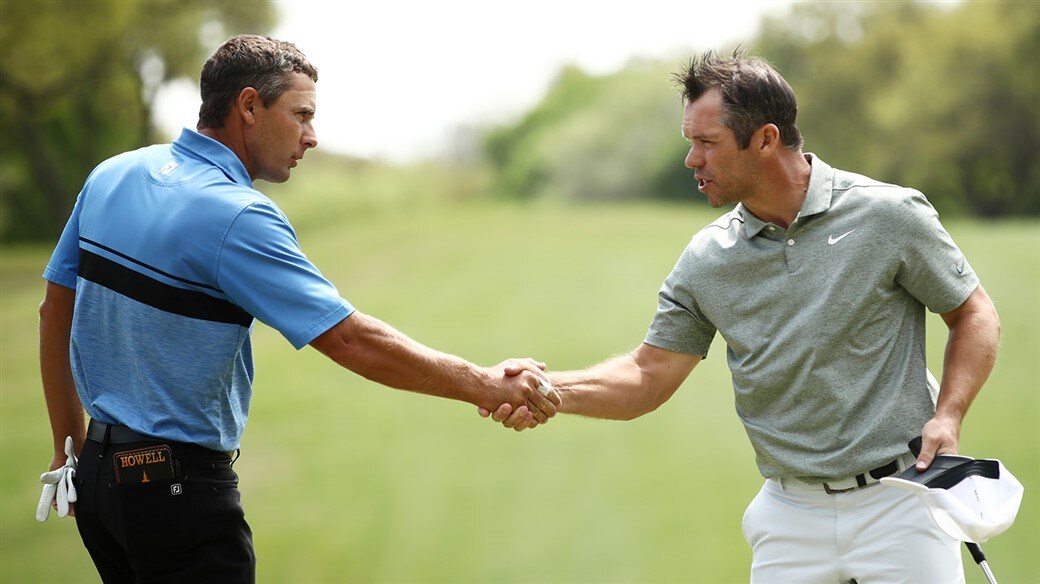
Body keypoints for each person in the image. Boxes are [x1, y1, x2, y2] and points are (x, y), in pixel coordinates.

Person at [37, 34, 560, 583]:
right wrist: (485, 385)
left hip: (98, 481)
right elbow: (350, 339)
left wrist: (68, 449)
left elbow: (54, 311)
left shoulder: (112, 174)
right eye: (302, 115)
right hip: (177, 495)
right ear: (248, 106)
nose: (311, 136)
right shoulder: (239, 215)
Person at [483, 49, 1000, 583]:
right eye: (690, 142)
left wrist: (949, 415)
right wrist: (546, 389)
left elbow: (973, 312)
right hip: (789, 517)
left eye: (707, 143)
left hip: (901, 505)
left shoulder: (888, 215)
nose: (692, 159)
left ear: (766, 139)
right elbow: (648, 374)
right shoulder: (708, 259)